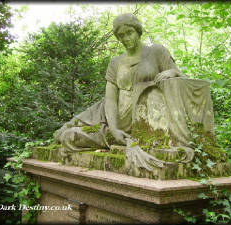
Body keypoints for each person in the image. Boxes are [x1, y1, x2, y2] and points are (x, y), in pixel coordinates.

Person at [54, 13, 184, 152]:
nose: (126, 38)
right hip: (108, 113)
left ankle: (107, 135)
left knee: (69, 136)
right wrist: (114, 129)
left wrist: (172, 72)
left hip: (137, 118)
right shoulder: (115, 62)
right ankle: (106, 132)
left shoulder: (156, 51)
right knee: (61, 133)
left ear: (138, 31)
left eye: (129, 33)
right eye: (121, 35)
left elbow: (178, 74)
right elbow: (110, 99)